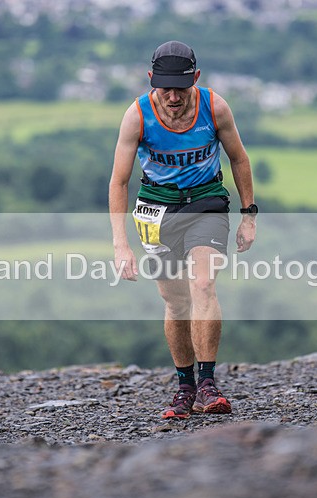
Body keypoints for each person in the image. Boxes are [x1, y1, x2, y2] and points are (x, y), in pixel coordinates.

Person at [108, 40, 257, 419]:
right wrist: (120, 245)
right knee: (175, 302)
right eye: (164, 87)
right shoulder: (137, 116)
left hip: (206, 203)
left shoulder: (215, 107)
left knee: (203, 284)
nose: (173, 97)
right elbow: (119, 182)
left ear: (197, 78)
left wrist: (248, 215)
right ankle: (185, 386)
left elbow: (239, 158)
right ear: (150, 80)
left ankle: (207, 383)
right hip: (156, 211)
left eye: (181, 86)